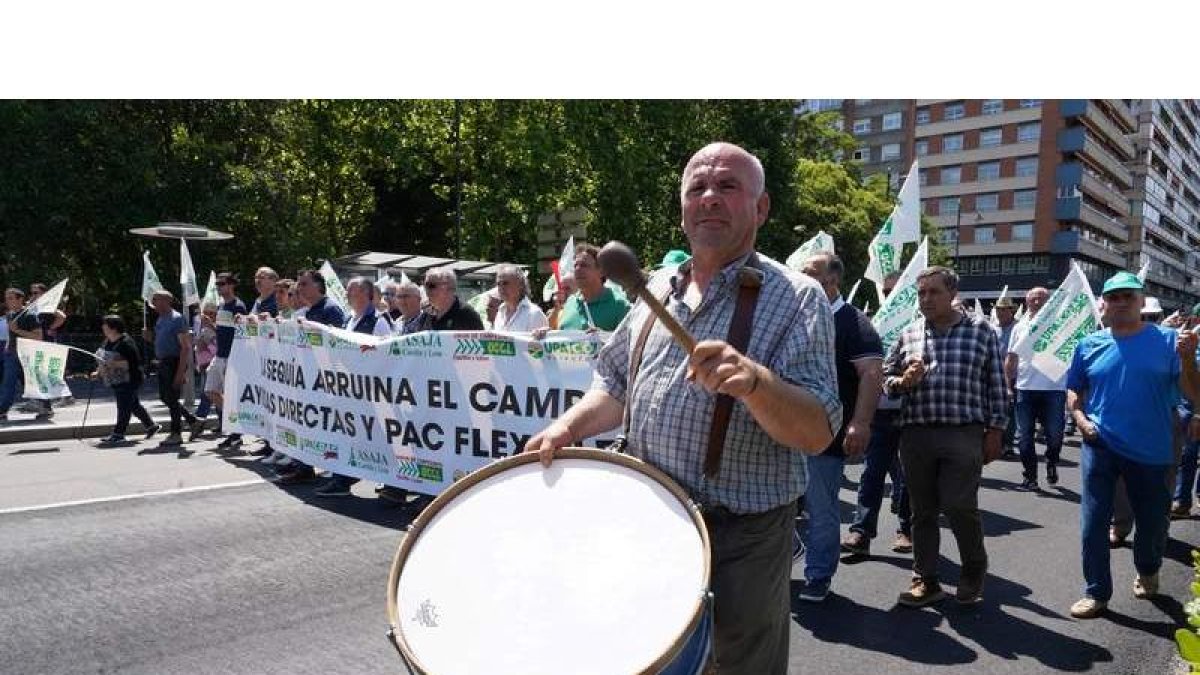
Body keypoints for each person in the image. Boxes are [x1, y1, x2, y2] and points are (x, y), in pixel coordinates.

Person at [524, 142, 841, 674]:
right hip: (649, 520)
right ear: (683, 208)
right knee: (644, 656)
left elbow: (816, 432)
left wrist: (756, 384)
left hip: (741, 536)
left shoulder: (799, 298)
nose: (710, 197)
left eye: (728, 187)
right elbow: (614, 382)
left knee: (739, 666)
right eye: (698, 188)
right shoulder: (654, 293)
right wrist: (566, 427)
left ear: (760, 209)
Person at [1065, 271, 1200, 618]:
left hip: (1152, 449)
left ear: (1141, 301)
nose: (1121, 302)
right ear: (1104, 304)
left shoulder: (1171, 341)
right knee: (1093, 523)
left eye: (1129, 296)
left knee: (1153, 522)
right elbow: (1074, 390)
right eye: (1114, 297)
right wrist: (1080, 419)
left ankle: (1148, 567)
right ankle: (1096, 591)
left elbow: (1193, 394)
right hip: (1100, 446)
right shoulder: (1088, 344)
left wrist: (1187, 359)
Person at [883, 266, 1008, 608]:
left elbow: (997, 385)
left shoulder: (981, 331)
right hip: (916, 433)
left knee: (958, 506)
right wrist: (901, 382)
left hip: (963, 432)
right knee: (921, 512)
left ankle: (973, 570)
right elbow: (887, 379)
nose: (926, 299)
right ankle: (926, 579)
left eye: (933, 292)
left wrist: (996, 431)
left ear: (952, 294)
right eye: (921, 293)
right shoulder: (909, 333)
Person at [797, 251, 883, 602]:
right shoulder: (796, 316)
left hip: (824, 436)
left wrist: (860, 422)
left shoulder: (854, 323)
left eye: (809, 274)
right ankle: (786, 555)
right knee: (770, 505)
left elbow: (872, 374)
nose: (800, 280)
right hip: (783, 430)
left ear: (832, 281)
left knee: (820, 508)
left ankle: (818, 575)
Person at [843, 271, 914, 557]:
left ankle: (905, 530)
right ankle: (861, 532)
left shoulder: (918, 329)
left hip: (912, 413)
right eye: (886, 289)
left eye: (897, 289)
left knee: (907, 476)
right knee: (872, 474)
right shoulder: (871, 324)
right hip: (879, 413)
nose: (890, 294)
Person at [275, 269, 347, 485]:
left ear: (318, 286)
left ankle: (338, 475)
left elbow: (336, 343)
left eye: (304, 284)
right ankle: (304, 466)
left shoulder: (331, 309)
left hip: (325, 379)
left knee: (329, 429)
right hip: (308, 378)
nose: (299, 288)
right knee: (305, 424)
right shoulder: (309, 311)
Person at [1003, 286, 1068, 490]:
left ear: (1050, 302)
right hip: (1025, 387)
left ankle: (1051, 461)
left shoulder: (1059, 325)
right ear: (1026, 301)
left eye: (1042, 299)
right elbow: (1011, 357)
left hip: (1054, 388)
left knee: (1055, 435)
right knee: (1024, 436)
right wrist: (1008, 385)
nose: (1037, 302)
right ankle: (1030, 477)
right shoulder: (1019, 327)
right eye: (1033, 299)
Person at [142, 290, 202, 446]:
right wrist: (150, 338)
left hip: (174, 362)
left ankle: (176, 433)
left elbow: (185, 347)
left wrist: (180, 373)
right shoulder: (160, 319)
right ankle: (192, 421)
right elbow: (162, 341)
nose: (153, 303)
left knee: (172, 398)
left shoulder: (176, 319)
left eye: (156, 299)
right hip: (163, 362)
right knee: (165, 397)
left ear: (166, 301)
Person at [95, 315, 160, 445]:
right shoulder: (107, 341)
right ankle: (151, 426)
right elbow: (103, 358)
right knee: (133, 405)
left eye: (105, 325)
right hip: (115, 379)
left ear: (113, 328)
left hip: (130, 379)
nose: (103, 327)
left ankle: (118, 433)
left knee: (123, 406)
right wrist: (97, 371)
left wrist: (114, 364)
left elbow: (133, 363)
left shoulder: (126, 342)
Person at [206, 273, 249, 447]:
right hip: (220, 355)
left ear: (231, 285)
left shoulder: (238, 306)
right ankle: (234, 423)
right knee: (210, 391)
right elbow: (223, 331)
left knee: (231, 396)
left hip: (231, 357)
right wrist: (211, 325)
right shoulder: (222, 305)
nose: (218, 287)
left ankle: (235, 431)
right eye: (217, 284)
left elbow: (241, 334)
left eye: (222, 284)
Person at [0, 289, 52, 421]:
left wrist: (17, 330)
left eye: (11, 298)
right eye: (7, 298)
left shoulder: (30, 315)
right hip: (12, 354)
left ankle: (45, 407)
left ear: (20, 299)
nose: (7, 301)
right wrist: (7, 346)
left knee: (31, 383)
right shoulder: (11, 315)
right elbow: (11, 335)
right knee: (8, 382)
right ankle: (3, 409)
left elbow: (38, 336)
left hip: (27, 355)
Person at [554, 244, 631, 332]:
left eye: (584, 265)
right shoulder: (570, 302)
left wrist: (603, 337)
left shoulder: (620, 306)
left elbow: (629, 342)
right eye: (575, 265)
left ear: (601, 271)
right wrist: (546, 335)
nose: (577, 269)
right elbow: (561, 338)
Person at [414, 267, 484, 332]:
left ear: (447, 287)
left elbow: (482, 343)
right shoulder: (426, 316)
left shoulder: (466, 315)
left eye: (431, 285)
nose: (426, 290)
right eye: (425, 285)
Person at [492, 264, 548, 333]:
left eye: (505, 283)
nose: (501, 288)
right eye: (498, 284)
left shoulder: (534, 314)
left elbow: (540, 343)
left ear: (520, 284)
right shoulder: (500, 312)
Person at [192, 303, 218, 426]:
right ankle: (223, 422)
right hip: (204, 366)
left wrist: (205, 345)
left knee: (207, 394)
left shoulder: (216, 328)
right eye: (205, 313)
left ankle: (199, 419)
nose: (207, 316)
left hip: (212, 365)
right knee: (214, 394)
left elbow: (217, 349)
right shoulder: (202, 329)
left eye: (211, 313)